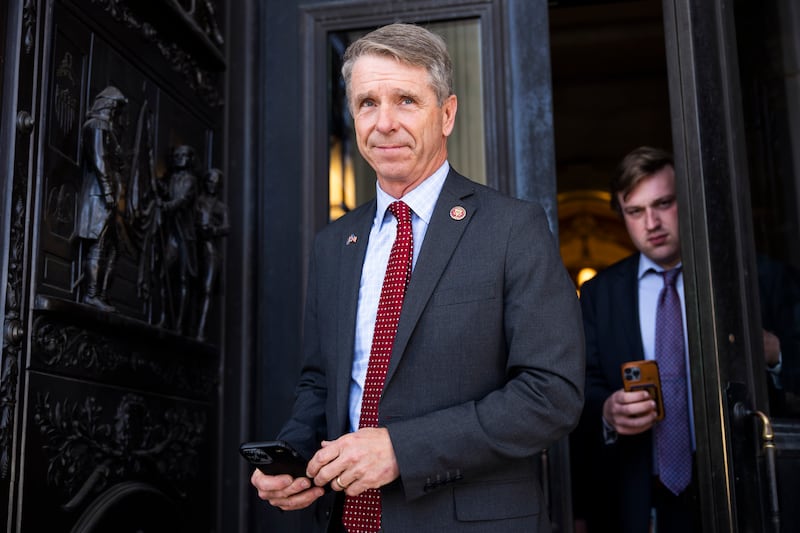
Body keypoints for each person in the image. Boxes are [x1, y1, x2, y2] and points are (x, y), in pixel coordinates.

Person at [250, 22, 585, 532]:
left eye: (405, 100)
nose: (384, 123)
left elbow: (550, 395)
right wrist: (294, 456)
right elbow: (321, 382)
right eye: (367, 103)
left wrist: (402, 450)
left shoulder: (512, 227)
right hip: (348, 519)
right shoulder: (334, 244)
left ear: (447, 114)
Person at [571, 146, 783, 533]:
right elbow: (580, 384)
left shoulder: (749, 275)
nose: (651, 222)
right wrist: (606, 411)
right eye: (636, 211)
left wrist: (774, 353)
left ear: (686, 200)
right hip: (639, 492)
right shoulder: (600, 293)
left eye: (663, 203)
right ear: (623, 217)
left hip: (738, 486)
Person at [78, 86, 129, 312]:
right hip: (99, 194)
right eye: (116, 107)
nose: (117, 112)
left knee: (114, 247)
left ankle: (102, 293)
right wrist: (108, 191)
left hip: (110, 195)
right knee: (98, 246)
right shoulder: (97, 125)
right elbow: (100, 160)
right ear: (108, 104)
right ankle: (91, 295)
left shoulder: (108, 128)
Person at [194, 167, 229, 341]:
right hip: (195, 245)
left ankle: (200, 330)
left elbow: (227, 227)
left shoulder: (221, 207)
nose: (212, 185)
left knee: (207, 289)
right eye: (210, 181)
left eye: (216, 183)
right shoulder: (198, 201)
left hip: (211, 249)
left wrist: (213, 230)